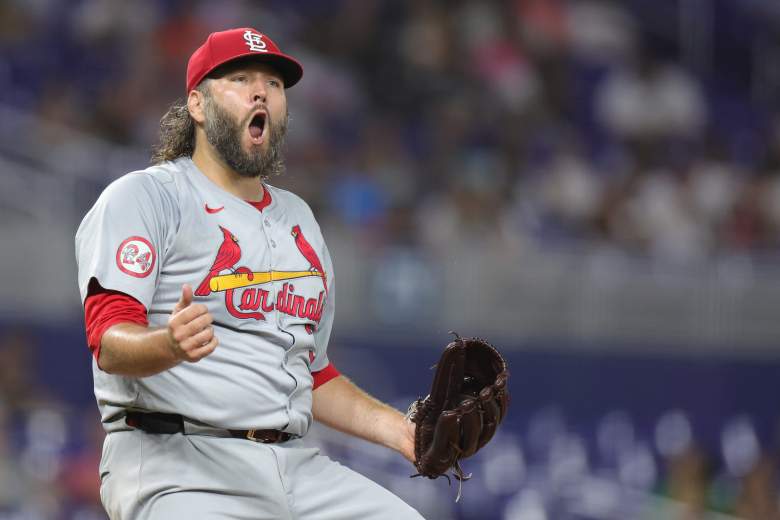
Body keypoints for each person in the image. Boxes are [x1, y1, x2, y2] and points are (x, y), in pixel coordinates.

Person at [75, 27, 424, 519]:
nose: (261, 90)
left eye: (274, 84)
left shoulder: (300, 220)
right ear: (196, 104)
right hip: (176, 463)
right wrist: (167, 344)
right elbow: (108, 340)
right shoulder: (146, 198)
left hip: (291, 465)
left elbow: (312, 371)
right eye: (240, 78)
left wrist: (401, 432)